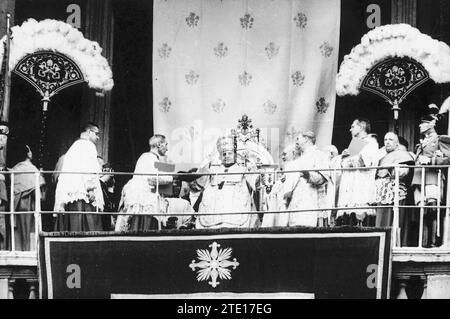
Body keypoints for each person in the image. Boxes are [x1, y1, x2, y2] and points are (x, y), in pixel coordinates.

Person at [115, 134, 193, 231]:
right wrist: (173, 177)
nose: (167, 148)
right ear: (159, 144)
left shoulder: (150, 158)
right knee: (145, 226)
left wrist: (175, 173)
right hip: (144, 199)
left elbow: (166, 170)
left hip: (145, 197)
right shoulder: (148, 157)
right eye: (166, 144)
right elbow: (153, 178)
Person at [196, 135, 259, 229]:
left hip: (237, 215)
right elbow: (199, 184)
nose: (227, 156)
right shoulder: (213, 170)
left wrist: (254, 169)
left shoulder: (243, 169)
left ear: (235, 155)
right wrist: (206, 163)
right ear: (220, 156)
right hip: (212, 217)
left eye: (230, 153)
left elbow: (256, 183)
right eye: (224, 154)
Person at [411, 104, 450, 247]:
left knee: (432, 210)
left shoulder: (440, 140)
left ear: (431, 124)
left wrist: (431, 161)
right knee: (421, 211)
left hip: (432, 177)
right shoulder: (419, 144)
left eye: (423, 124)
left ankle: (433, 242)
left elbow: (448, 159)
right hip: (418, 178)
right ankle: (423, 242)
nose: (420, 126)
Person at [54, 122, 104, 231]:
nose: (98, 137)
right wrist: (90, 189)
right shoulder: (88, 145)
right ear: (89, 132)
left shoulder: (74, 146)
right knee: (87, 225)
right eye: (96, 134)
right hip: (83, 193)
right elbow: (88, 169)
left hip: (71, 193)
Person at [336, 118, 379, 226]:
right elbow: (343, 164)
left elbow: (363, 162)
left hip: (361, 189)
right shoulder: (355, 143)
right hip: (349, 190)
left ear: (361, 127)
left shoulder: (371, 142)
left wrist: (346, 160)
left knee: (359, 219)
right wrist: (344, 158)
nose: (350, 129)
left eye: (353, 126)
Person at [283, 131, 330, 227]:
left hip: (311, 202)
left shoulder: (320, 155)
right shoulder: (300, 158)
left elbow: (323, 179)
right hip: (296, 203)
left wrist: (308, 175)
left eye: (298, 139)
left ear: (306, 139)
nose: (296, 142)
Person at [374, 133, 414, 231]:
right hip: (382, 193)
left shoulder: (404, 155)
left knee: (396, 222)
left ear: (397, 144)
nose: (387, 142)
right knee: (381, 222)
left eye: (391, 140)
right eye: (385, 139)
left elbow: (404, 172)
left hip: (397, 192)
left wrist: (394, 168)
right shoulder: (382, 158)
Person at [11, 144, 46, 251]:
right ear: (28, 154)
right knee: (30, 231)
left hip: (15, 206)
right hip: (29, 206)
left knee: (17, 233)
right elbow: (40, 196)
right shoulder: (32, 169)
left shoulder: (15, 169)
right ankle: (29, 251)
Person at [261, 143, 298, 227]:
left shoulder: (295, 167)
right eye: (282, 155)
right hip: (278, 206)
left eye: (285, 154)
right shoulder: (286, 169)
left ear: (293, 154)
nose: (282, 157)